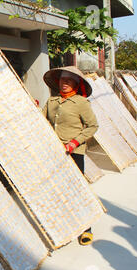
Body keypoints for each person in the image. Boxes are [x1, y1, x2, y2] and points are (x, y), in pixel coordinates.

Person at [42, 66, 99, 246]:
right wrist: (33, 107)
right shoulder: (52, 101)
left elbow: (92, 126)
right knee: (57, 190)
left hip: (74, 153)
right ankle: (63, 227)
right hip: (54, 152)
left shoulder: (81, 103)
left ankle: (85, 228)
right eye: (62, 80)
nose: (64, 83)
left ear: (76, 83)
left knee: (77, 190)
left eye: (68, 81)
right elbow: (42, 120)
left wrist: (75, 142)